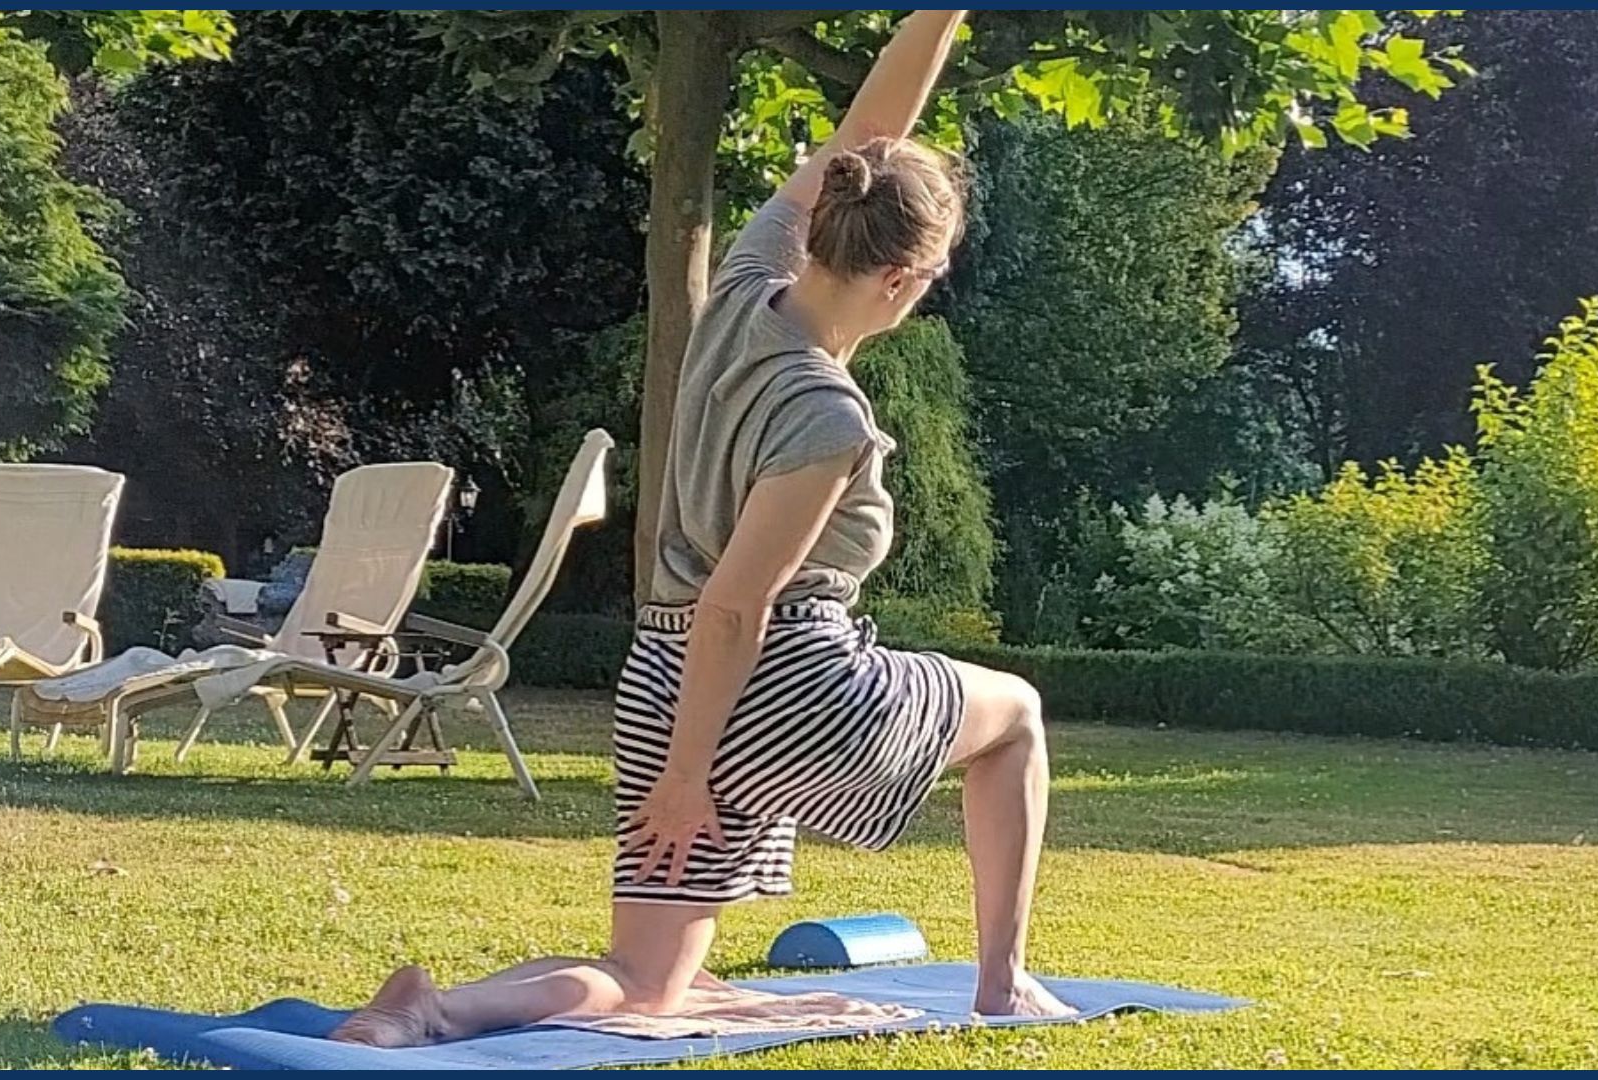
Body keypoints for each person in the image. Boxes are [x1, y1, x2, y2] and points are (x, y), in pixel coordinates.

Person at [332, 9, 1070, 1048]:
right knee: (1019, 718)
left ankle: (434, 1011)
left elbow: (862, 134)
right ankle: (1004, 984)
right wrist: (690, 779)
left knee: (646, 982)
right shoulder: (827, 417)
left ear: (823, 225)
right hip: (787, 690)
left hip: (657, 678)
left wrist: (935, 16)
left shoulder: (740, 286)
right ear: (903, 282)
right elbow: (737, 606)